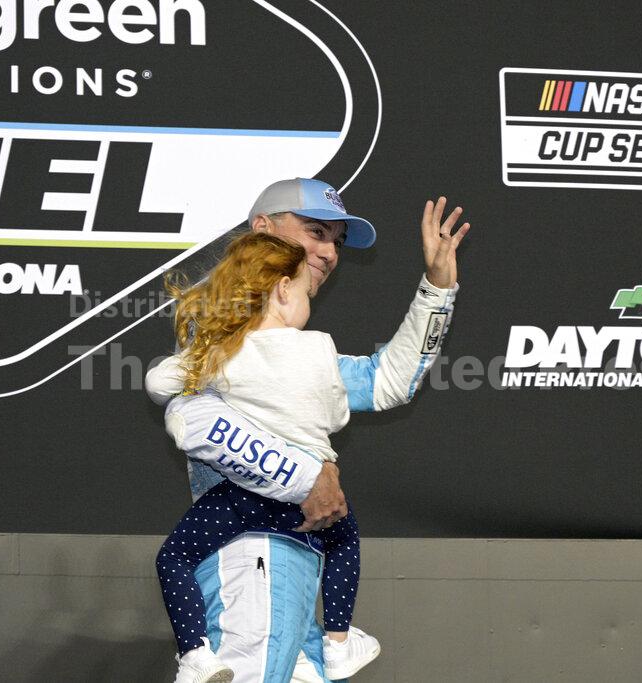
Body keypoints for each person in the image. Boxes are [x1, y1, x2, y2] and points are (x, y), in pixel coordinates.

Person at [146, 178, 469, 681]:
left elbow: (387, 381)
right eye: (315, 232)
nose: (329, 252)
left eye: (336, 240)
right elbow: (197, 420)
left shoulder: (303, 351)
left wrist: (437, 289)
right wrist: (307, 475)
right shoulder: (218, 334)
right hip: (251, 552)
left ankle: (335, 644)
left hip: (290, 557)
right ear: (262, 230)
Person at [156, 231, 379, 681]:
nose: (309, 300)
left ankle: (195, 653)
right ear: (282, 289)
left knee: (173, 558)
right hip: (312, 508)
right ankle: (338, 642)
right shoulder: (320, 348)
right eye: (305, 291)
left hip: (244, 500)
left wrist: (198, 360)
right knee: (344, 540)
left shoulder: (224, 354)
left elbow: (160, 384)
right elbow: (337, 414)